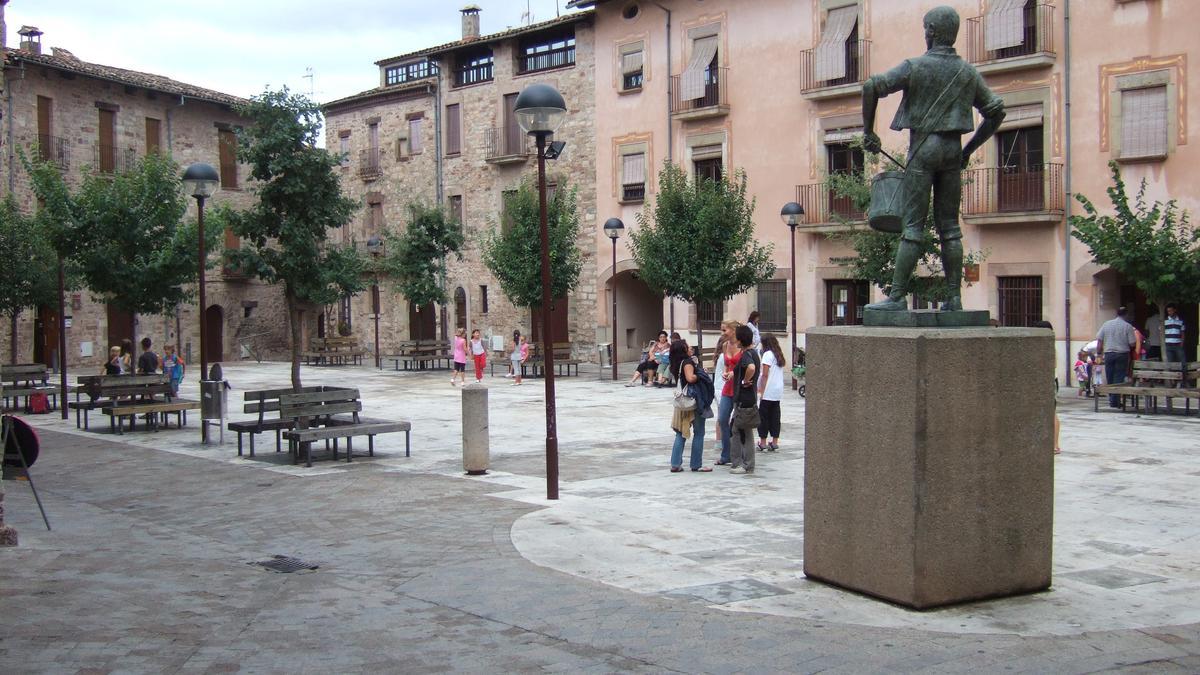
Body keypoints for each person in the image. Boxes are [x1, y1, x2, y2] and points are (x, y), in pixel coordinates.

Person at [862, 5, 1006, 313]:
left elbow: (871, 86)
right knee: (950, 228)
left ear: (931, 32)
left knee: (913, 227)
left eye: (926, 28)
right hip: (952, 151)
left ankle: (898, 296)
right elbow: (996, 111)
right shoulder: (967, 72)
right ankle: (954, 298)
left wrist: (868, 132)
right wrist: (968, 150)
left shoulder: (915, 66)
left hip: (924, 150)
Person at [667, 340, 714, 473]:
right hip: (693, 401)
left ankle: (675, 464)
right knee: (699, 433)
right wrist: (699, 374)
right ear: (683, 350)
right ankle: (696, 464)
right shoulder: (687, 362)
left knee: (680, 433)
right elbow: (690, 378)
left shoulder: (676, 364)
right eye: (687, 346)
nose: (690, 348)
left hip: (682, 403)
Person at [728, 324, 760, 474]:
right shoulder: (754, 352)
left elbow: (751, 368)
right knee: (744, 429)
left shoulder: (747, 354)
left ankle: (743, 464)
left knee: (739, 430)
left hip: (744, 398)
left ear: (741, 340)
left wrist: (745, 381)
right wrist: (734, 375)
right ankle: (747, 463)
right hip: (750, 398)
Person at [1096, 307, 1139, 408]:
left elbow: (1099, 339)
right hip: (1122, 354)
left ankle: (1112, 399)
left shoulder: (1106, 324)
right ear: (1126, 315)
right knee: (1118, 377)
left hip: (1109, 354)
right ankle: (1114, 400)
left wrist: (1099, 353)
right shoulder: (1128, 326)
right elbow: (1132, 343)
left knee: (1110, 376)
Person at [714, 320, 741, 466]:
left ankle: (738, 453)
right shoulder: (725, 346)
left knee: (739, 422)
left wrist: (733, 373)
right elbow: (726, 364)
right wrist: (725, 373)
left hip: (739, 388)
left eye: (725, 330)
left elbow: (747, 366)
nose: (723, 333)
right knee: (723, 419)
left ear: (733, 330)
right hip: (727, 387)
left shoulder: (742, 346)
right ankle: (726, 453)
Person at [1033, 320, 1061, 454]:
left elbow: (1052, 365)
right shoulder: (1044, 346)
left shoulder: (1049, 346)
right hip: (1045, 381)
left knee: (1052, 413)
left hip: (1049, 381)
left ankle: (1055, 445)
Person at [756, 334, 786, 451]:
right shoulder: (778, 355)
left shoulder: (767, 355)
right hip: (777, 390)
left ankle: (762, 442)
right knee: (775, 415)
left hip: (768, 389)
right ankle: (774, 441)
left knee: (763, 416)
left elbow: (764, 374)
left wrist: (761, 390)